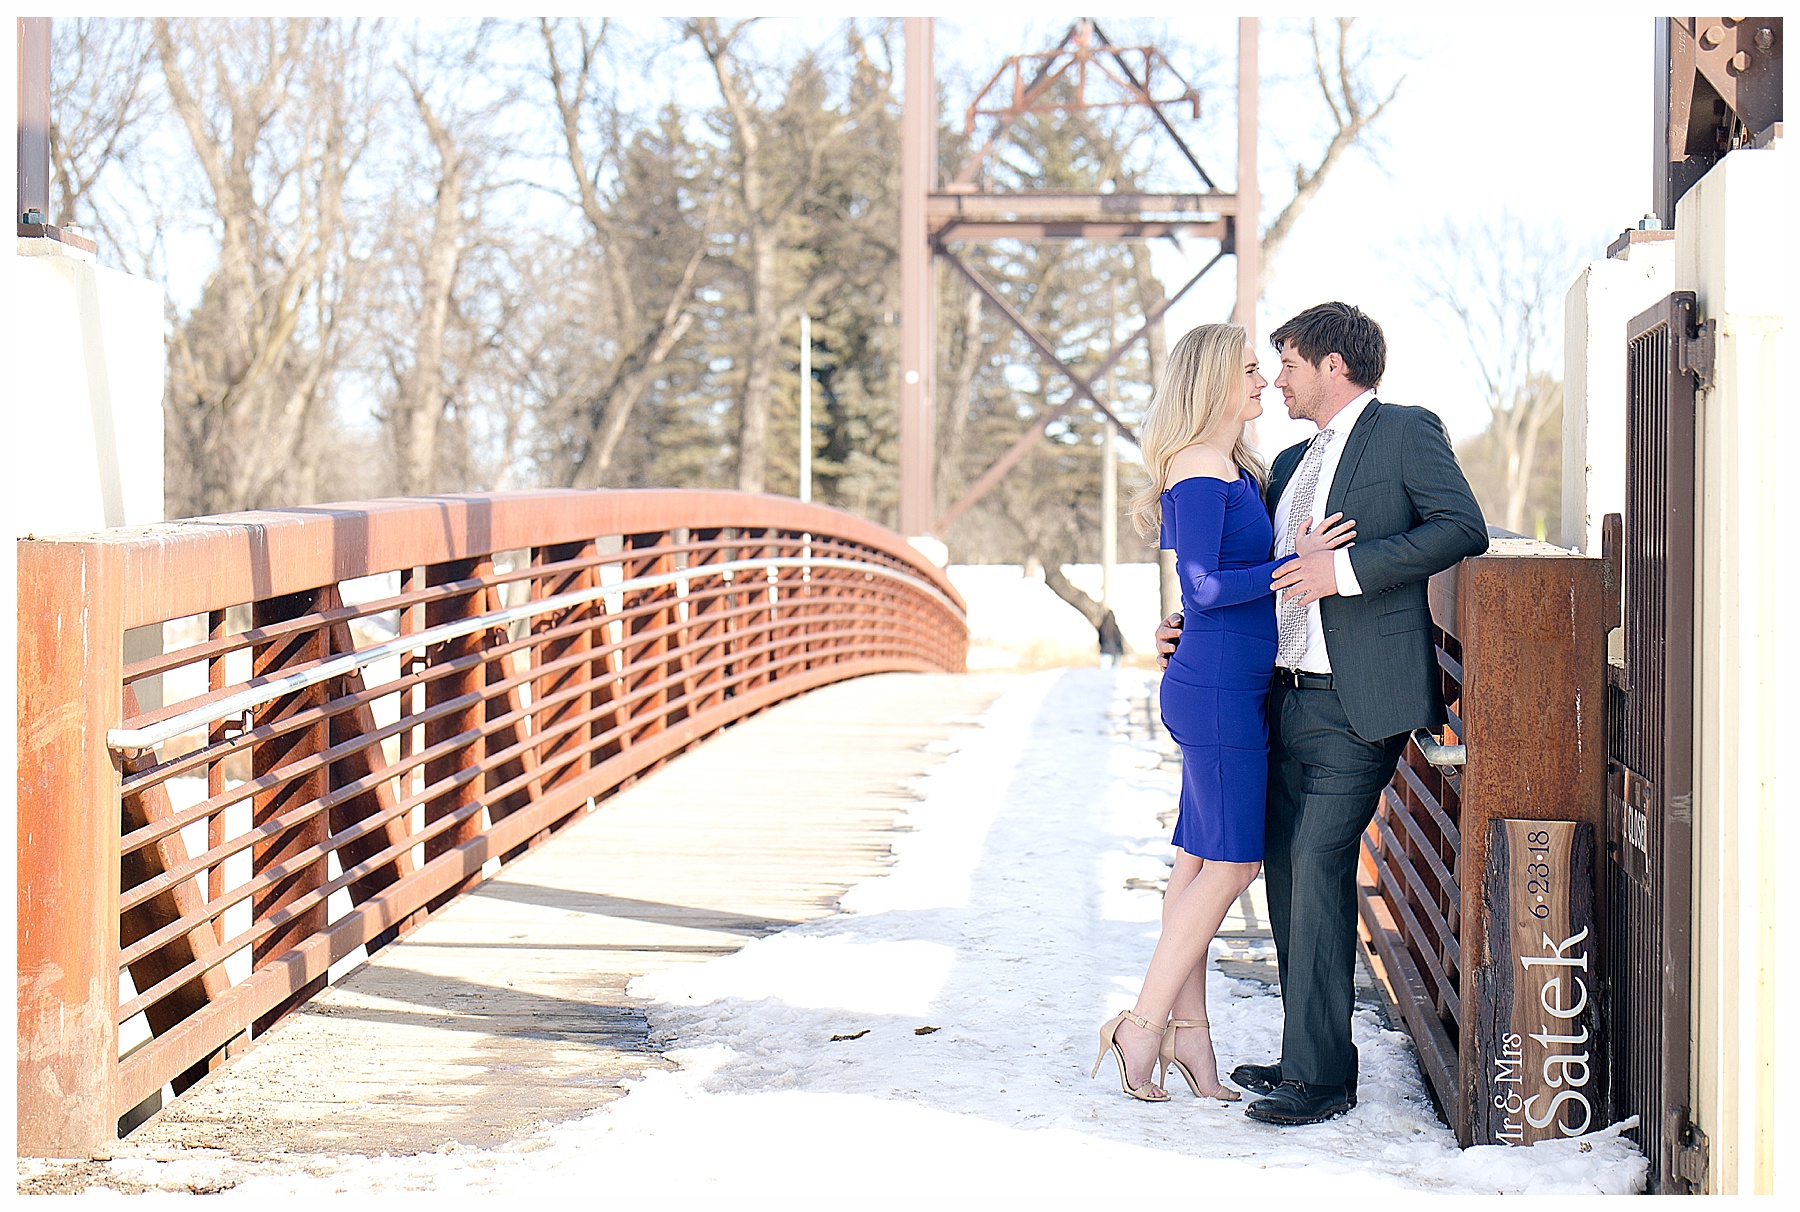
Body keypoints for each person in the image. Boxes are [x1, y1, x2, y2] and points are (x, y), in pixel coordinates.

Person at [1155, 302, 1488, 1125]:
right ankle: (1306, 1055)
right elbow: (1246, 570)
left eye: (1290, 363)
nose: (1277, 380)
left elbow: (1462, 528)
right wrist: (1189, 624)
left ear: (1333, 364)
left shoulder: (1406, 431)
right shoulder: (1289, 459)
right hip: (1279, 694)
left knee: (1318, 860)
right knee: (1286, 870)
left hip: (1357, 699)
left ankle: (1324, 1082)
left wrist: (1343, 570)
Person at [1093, 322, 1355, 1102]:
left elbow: (1203, 594)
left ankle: (1193, 1045)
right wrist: (1295, 567)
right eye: (1248, 370)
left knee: (1197, 865)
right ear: (1211, 381)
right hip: (1214, 689)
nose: (1263, 382)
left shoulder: (1237, 464)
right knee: (1235, 863)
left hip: (1227, 679)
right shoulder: (1200, 465)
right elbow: (1204, 586)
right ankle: (1140, 1026)